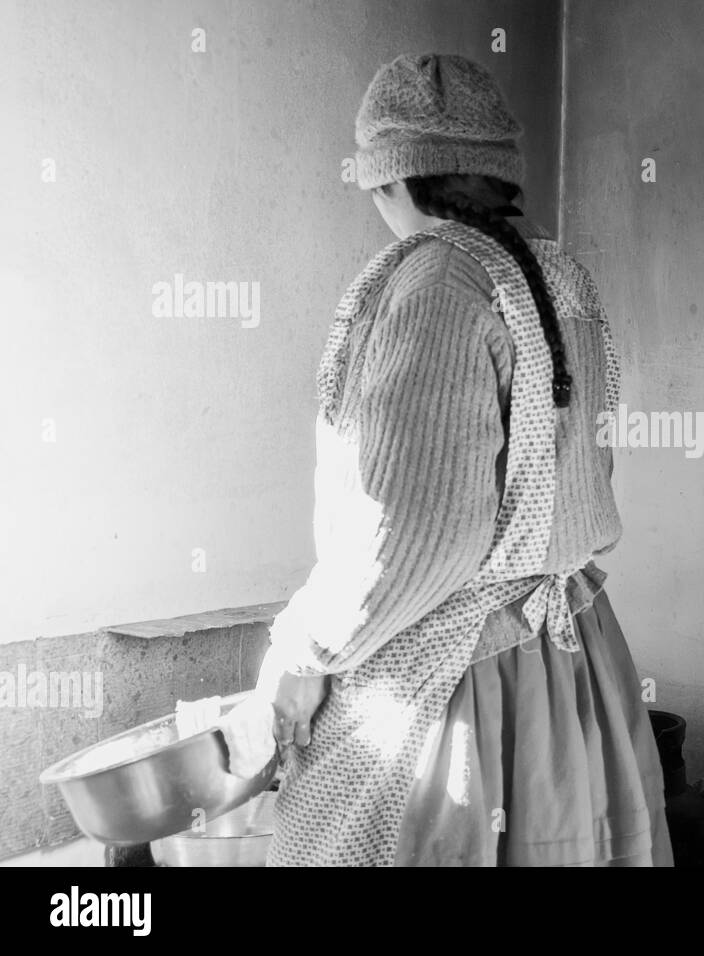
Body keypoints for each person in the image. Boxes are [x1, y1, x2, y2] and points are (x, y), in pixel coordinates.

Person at [223, 53, 671, 867]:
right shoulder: (556, 271)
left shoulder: (436, 284)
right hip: (569, 661)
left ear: (390, 179)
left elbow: (407, 537)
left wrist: (304, 653)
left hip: (464, 686)